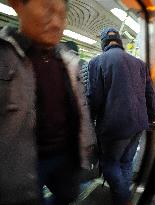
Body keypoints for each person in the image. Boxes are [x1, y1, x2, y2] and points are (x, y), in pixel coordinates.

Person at [0, 0, 94, 205]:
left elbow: (79, 106)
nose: (57, 23)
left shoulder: (68, 61)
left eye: (62, 14)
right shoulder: (5, 56)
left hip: (66, 155)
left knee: (68, 195)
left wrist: (85, 145)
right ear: (17, 4)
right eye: (47, 9)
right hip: (23, 164)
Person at [87, 28, 155, 205]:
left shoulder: (97, 62)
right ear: (119, 41)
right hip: (139, 124)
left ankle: (123, 199)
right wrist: (151, 117)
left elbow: (94, 96)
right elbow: (149, 93)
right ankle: (123, 199)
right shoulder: (139, 63)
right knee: (126, 162)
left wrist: (90, 123)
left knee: (109, 164)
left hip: (113, 126)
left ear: (104, 43)